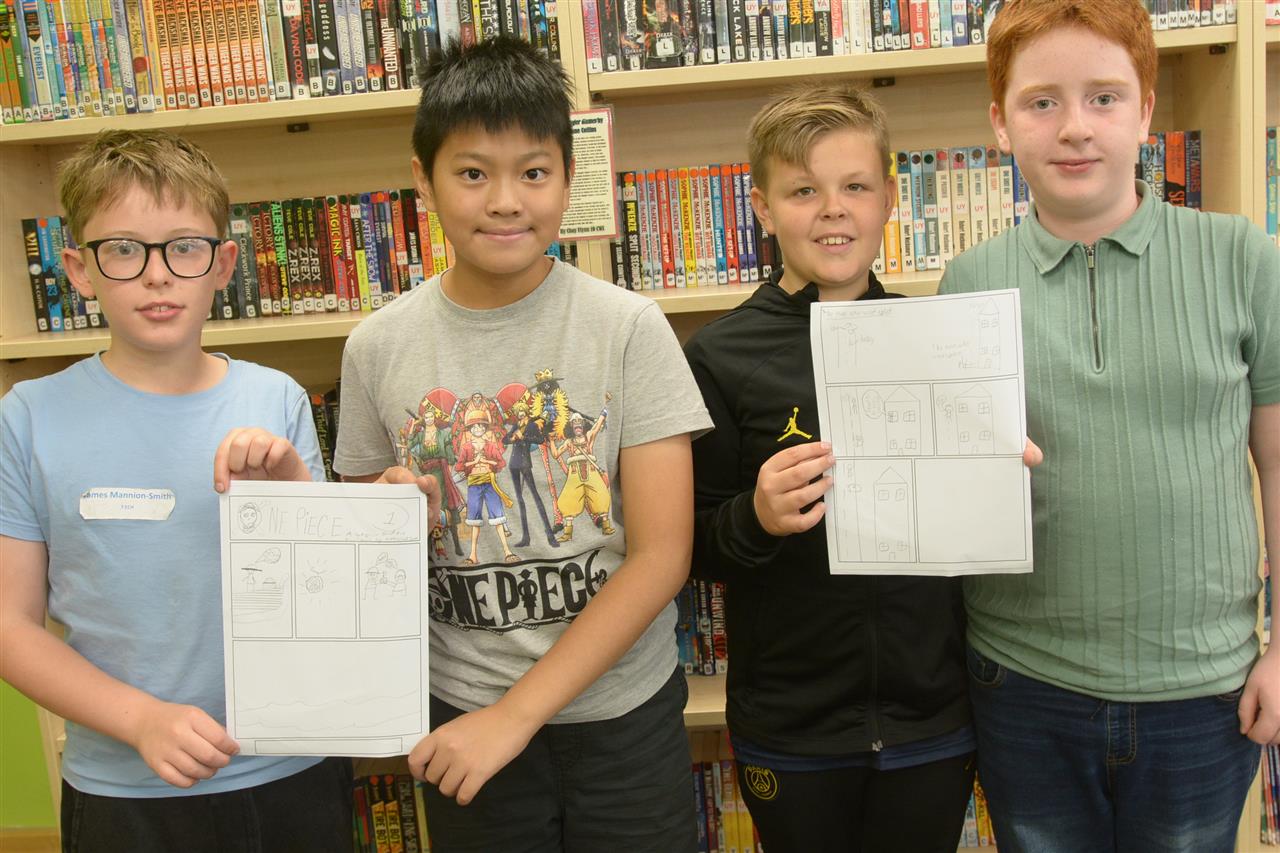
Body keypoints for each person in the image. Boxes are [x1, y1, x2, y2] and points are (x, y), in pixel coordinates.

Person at [331, 36, 712, 852]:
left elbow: (661, 555)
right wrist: (388, 517)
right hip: (461, 714)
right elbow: (365, 557)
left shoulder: (628, 328)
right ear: (423, 178)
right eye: (473, 173)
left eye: (533, 173)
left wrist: (516, 714)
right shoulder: (376, 347)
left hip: (620, 718)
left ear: (569, 179)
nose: (506, 201)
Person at [938, 1, 1280, 850]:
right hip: (1022, 683)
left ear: (1145, 111)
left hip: (1203, 687)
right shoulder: (968, 284)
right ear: (1000, 124)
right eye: (1041, 102)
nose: (1075, 127)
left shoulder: (1242, 258)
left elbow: (1277, 462)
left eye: (1104, 97)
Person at [684, 83, 1041, 853]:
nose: (832, 210)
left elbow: (978, 527)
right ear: (761, 207)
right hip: (792, 724)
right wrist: (755, 516)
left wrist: (997, 478)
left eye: (854, 187)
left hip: (930, 717)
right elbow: (690, 543)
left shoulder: (941, 338)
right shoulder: (718, 355)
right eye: (803, 191)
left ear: (889, 199)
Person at [0, 129, 353, 852]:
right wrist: (139, 719)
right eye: (124, 250)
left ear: (222, 264)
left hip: (291, 768)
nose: (157, 275)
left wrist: (293, 491)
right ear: (80, 269)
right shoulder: (28, 417)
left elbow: (328, 600)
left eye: (183, 248)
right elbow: (10, 625)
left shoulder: (276, 398)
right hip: (123, 788)